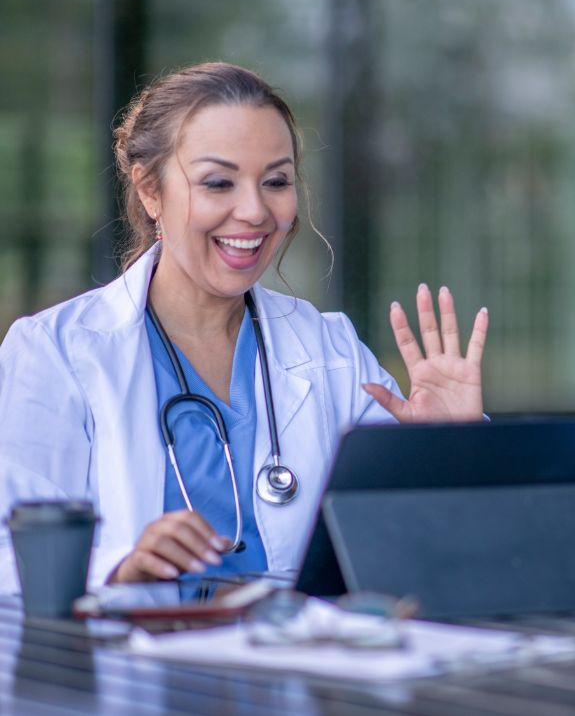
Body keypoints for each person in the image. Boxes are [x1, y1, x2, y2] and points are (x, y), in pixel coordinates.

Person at [0, 62, 488, 592]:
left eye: (276, 181)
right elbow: (12, 549)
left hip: (297, 660)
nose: (255, 211)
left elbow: (420, 547)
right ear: (149, 190)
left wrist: (455, 451)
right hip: (137, 664)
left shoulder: (330, 349)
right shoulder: (56, 352)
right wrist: (119, 564)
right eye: (218, 182)